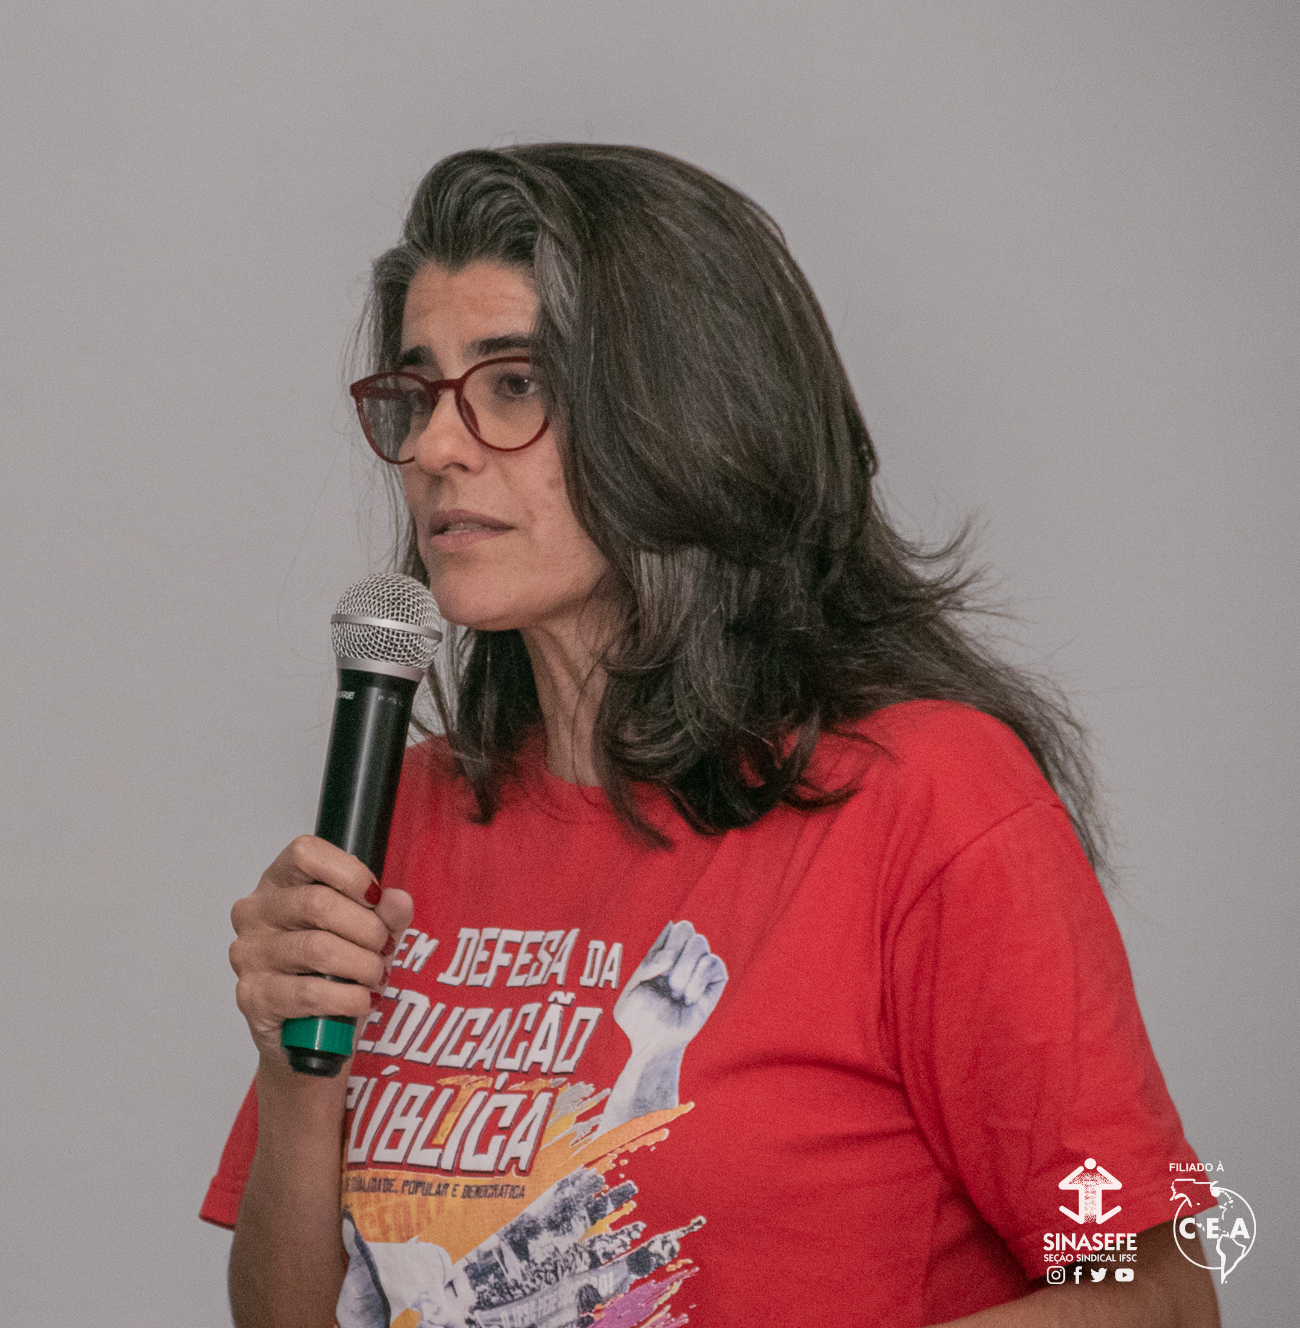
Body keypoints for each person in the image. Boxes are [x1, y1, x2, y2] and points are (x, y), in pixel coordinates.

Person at [207, 144, 1220, 1328]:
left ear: (682, 415)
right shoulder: (405, 812)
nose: (434, 446)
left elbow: (1156, 1296)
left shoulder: (926, 800)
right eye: (417, 391)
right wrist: (296, 1074)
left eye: (513, 383)